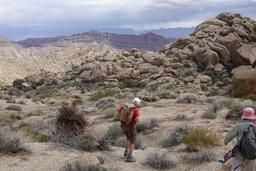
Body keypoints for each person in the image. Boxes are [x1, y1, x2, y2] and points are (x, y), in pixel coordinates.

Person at [117, 97, 141, 162]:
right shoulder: (136, 109)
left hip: (123, 125)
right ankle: (129, 157)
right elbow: (136, 119)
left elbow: (118, 110)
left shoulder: (126, 105)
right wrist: (134, 122)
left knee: (128, 138)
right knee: (132, 141)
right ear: (138, 104)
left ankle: (126, 152)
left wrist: (122, 120)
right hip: (131, 126)